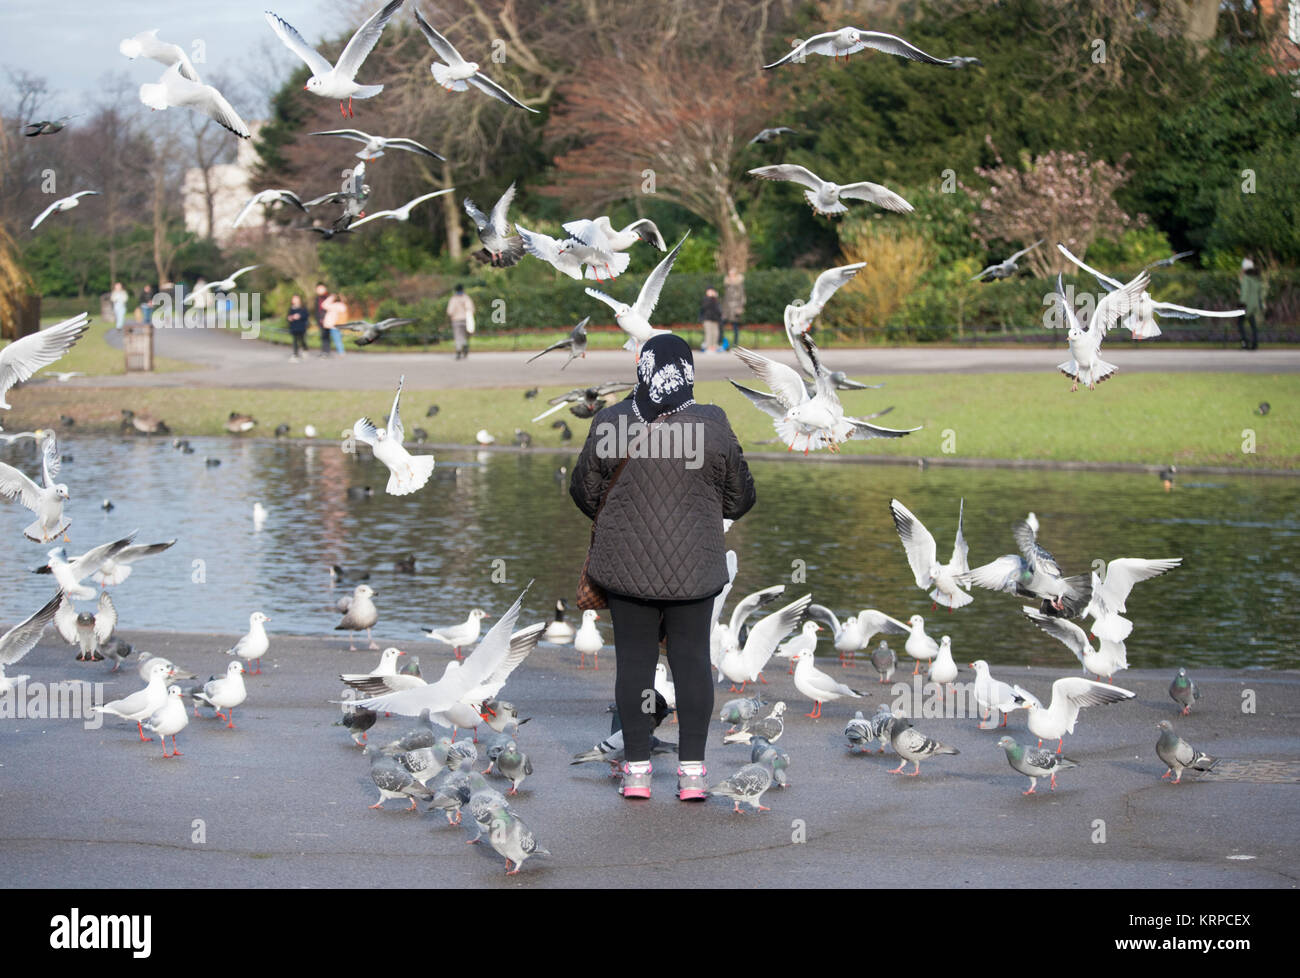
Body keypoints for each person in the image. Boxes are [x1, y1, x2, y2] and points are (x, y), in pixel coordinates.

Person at [569, 333, 757, 801]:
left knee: (634, 665)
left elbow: (583, 491)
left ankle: (636, 771)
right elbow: (741, 497)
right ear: (688, 371)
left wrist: (621, 520)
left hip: (625, 567)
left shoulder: (612, 420)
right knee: (692, 664)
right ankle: (692, 774)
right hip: (696, 568)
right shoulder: (712, 422)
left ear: (643, 369)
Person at [1239, 258, 1264, 351]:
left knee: (1240, 324)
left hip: (1247, 305)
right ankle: (1255, 344)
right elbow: (1259, 292)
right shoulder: (1257, 278)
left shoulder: (1246, 277)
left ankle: (1245, 342)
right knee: (1253, 325)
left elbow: (1245, 291)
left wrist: (1242, 303)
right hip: (1255, 305)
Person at [447, 284, 474, 359]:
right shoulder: (466, 298)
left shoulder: (453, 299)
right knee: (464, 335)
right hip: (465, 319)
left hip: (456, 320)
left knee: (458, 335)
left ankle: (458, 350)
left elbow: (450, 311)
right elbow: (470, 309)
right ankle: (464, 345)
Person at [722, 268, 745, 349]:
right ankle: (723, 343)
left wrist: (740, 308)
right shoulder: (727, 284)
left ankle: (735, 344)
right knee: (721, 325)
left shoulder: (739, 285)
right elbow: (725, 298)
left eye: (732, 274)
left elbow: (742, 297)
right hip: (727, 310)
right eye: (729, 274)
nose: (730, 275)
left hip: (735, 309)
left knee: (735, 328)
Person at [320, 292, 348, 356]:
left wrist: (331, 297)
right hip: (338, 325)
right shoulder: (342, 305)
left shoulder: (335, 306)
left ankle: (341, 352)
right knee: (338, 339)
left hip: (333, 326)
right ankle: (341, 351)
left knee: (337, 339)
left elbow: (323, 305)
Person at [286, 294, 310, 361]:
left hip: (301, 327)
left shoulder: (303, 308)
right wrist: (290, 318)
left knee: (302, 340)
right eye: (294, 299)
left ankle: (305, 349)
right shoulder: (291, 308)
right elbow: (288, 316)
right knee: (295, 340)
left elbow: (306, 315)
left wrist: (299, 316)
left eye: (296, 298)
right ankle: (295, 354)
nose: (295, 300)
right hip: (294, 327)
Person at [699, 285, 722, 353]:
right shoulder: (705, 299)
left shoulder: (716, 299)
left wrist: (715, 298)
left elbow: (718, 309)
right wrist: (710, 298)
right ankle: (708, 347)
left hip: (715, 319)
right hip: (707, 319)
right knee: (709, 333)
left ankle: (714, 347)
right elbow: (704, 307)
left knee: (715, 333)